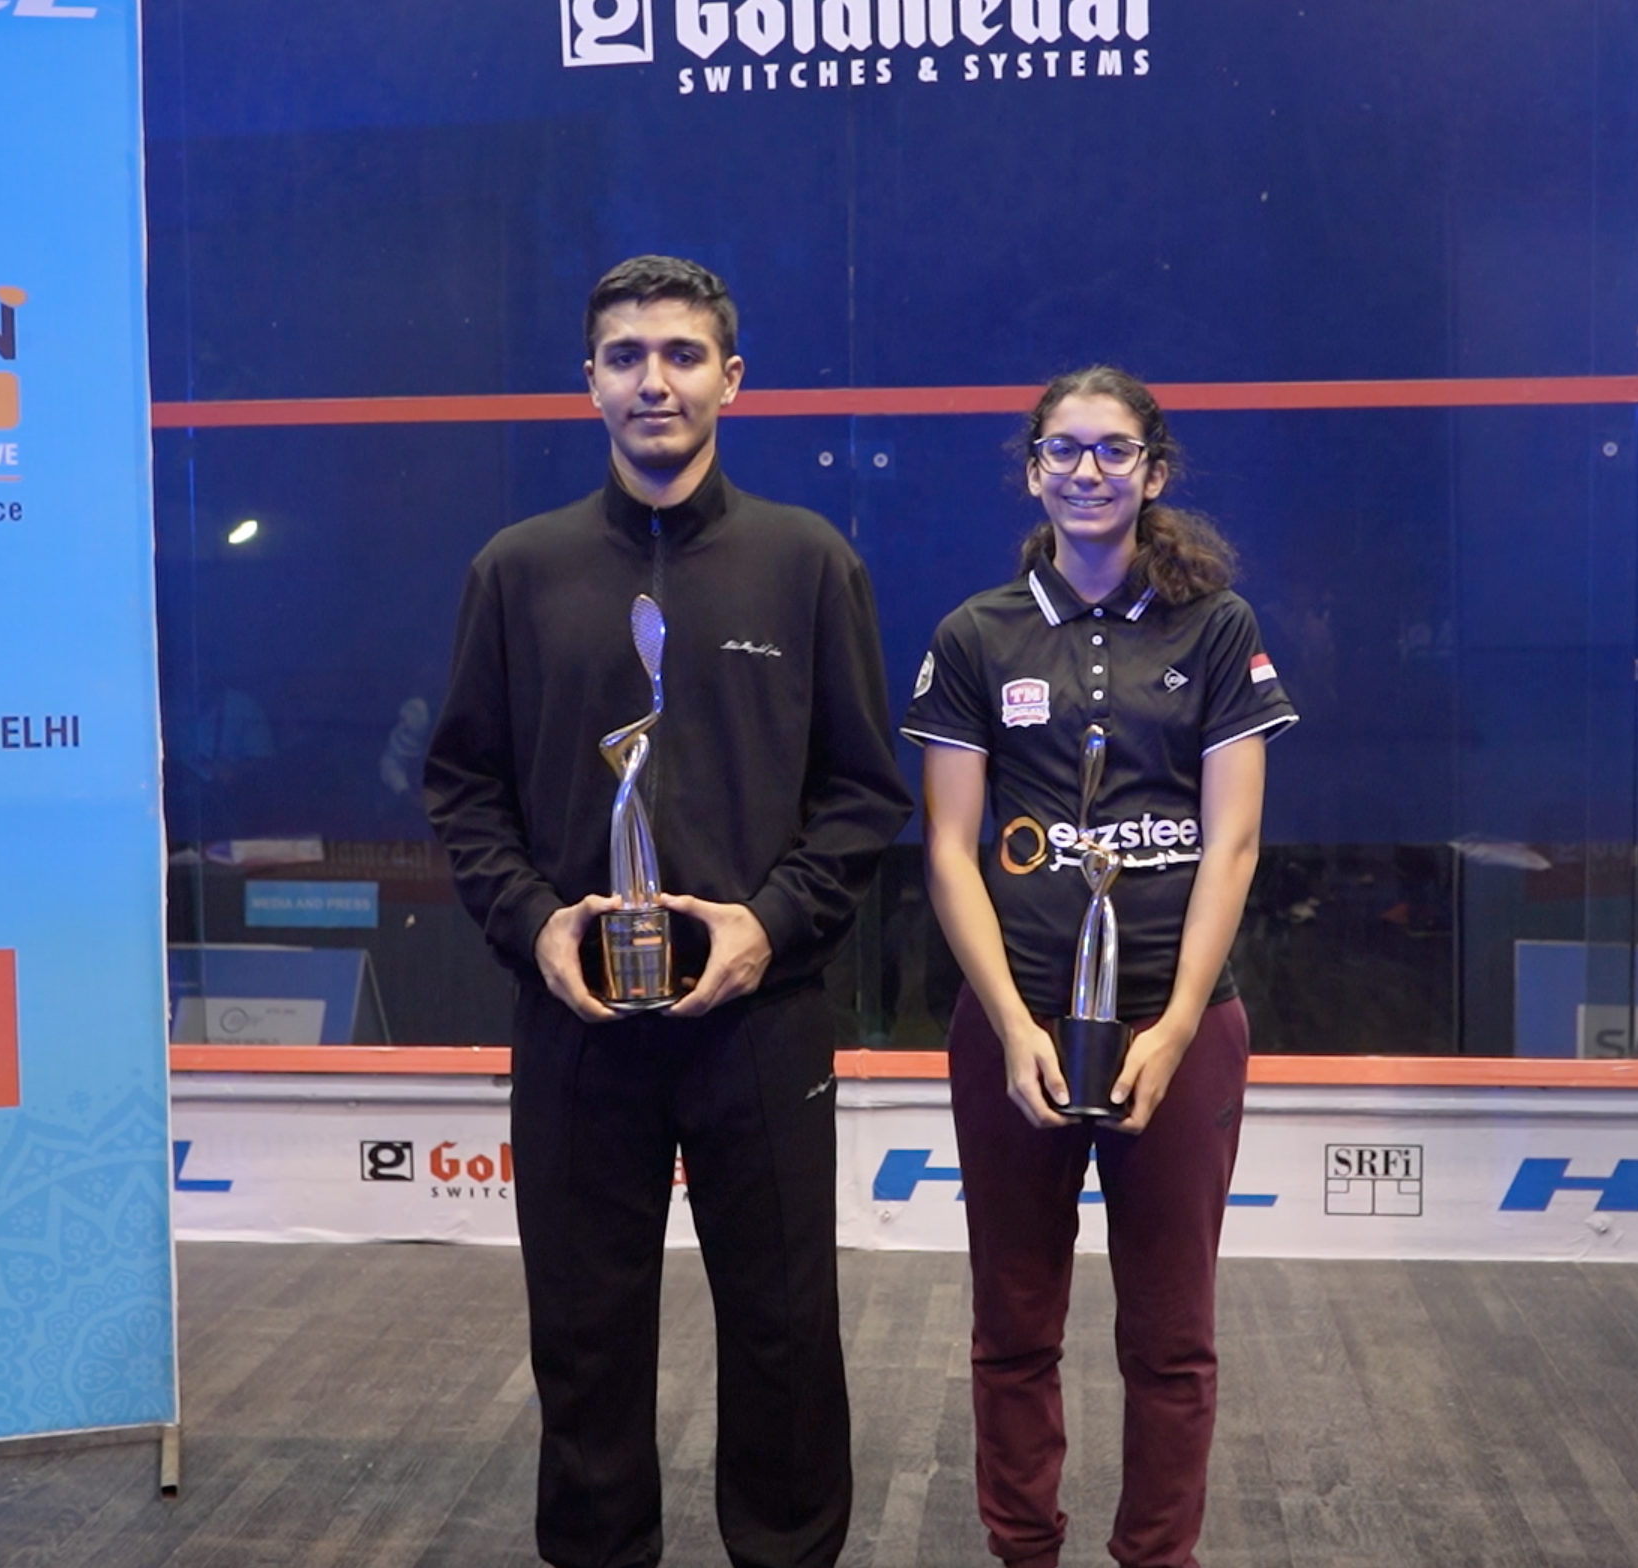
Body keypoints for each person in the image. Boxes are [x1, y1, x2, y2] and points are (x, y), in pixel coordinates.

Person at [423, 255, 911, 1568]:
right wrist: (533, 925)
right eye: (628, 355)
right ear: (588, 380)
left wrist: (773, 923)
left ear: (731, 381)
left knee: (784, 1332)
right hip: (577, 1018)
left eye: (684, 355)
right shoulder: (516, 573)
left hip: (760, 1018)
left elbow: (866, 796)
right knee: (581, 1339)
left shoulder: (808, 564)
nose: (656, 379)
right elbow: (461, 788)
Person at [901, 366, 1296, 1568]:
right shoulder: (976, 633)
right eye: (1063, 450)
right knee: (1014, 1328)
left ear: (1152, 472)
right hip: (1012, 1028)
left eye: (1113, 450)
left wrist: (1175, 1026)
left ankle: (1155, 1555)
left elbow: (1232, 841)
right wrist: (1013, 1023)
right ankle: (1024, 1548)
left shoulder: (1216, 626)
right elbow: (950, 847)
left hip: (1179, 1025)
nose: (1087, 470)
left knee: (1171, 1338)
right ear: (1033, 470)